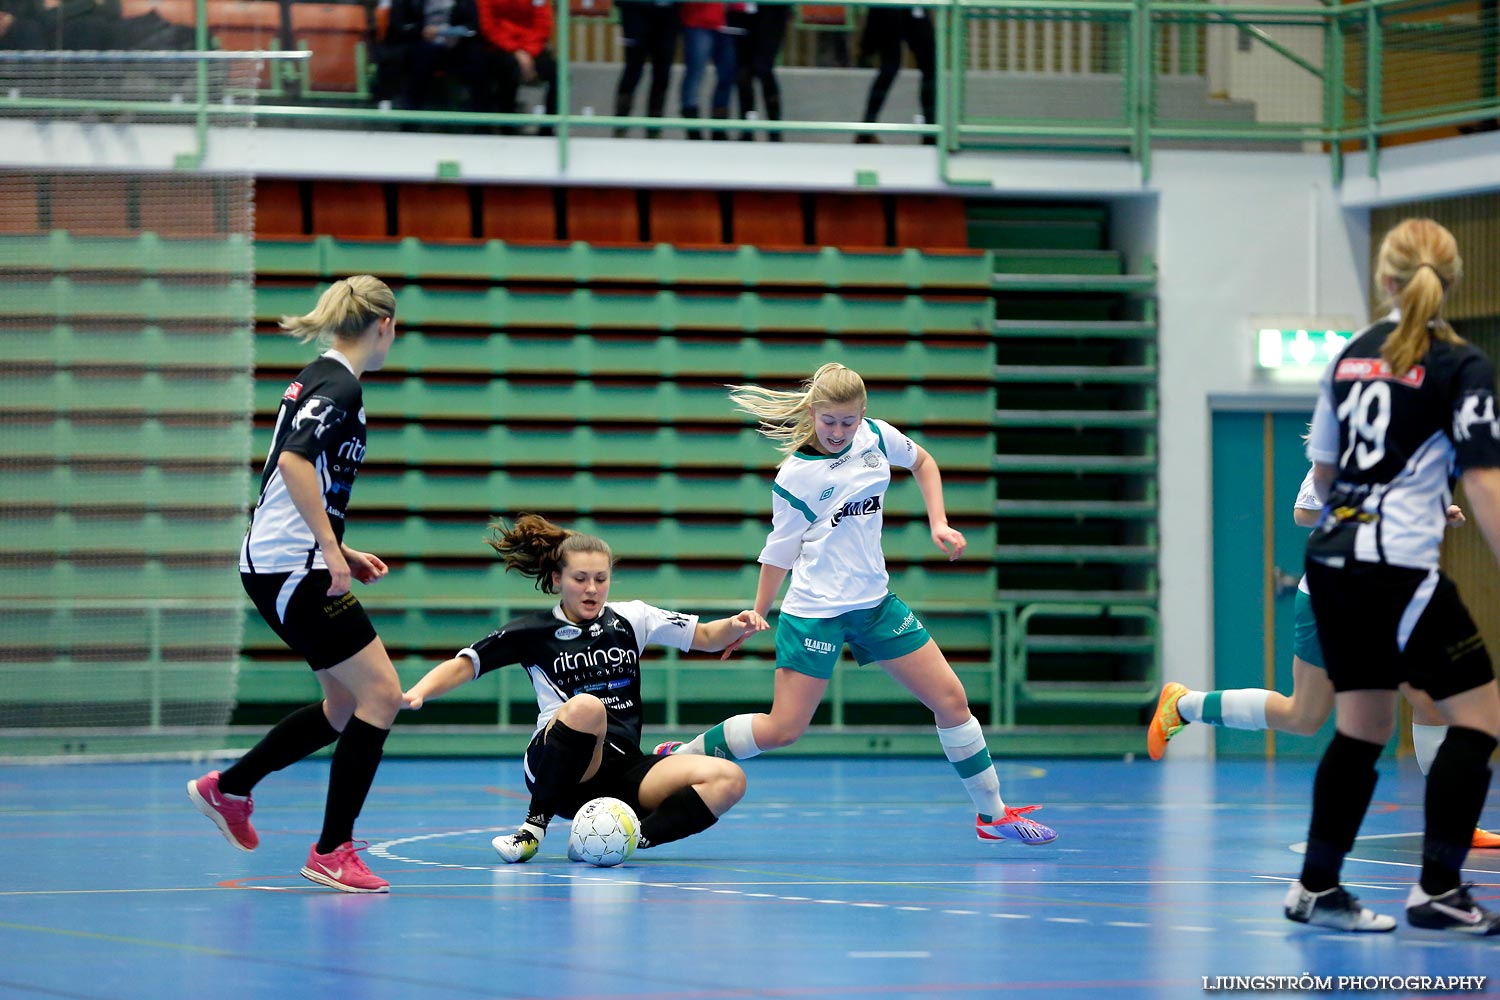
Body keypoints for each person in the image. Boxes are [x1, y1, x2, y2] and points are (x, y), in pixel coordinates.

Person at [655, 363, 1057, 845]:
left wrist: (939, 523)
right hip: (814, 614)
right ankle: (685, 755)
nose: (839, 432)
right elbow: (780, 551)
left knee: (952, 701)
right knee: (784, 729)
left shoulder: (876, 438)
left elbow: (924, 462)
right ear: (813, 412)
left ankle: (992, 815)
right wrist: (756, 612)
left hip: (875, 605)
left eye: (848, 421)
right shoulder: (795, 476)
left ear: (862, 414)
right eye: (829, 421)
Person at [1284, 218, 1500, 934]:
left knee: (1365, 725)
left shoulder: (1348, 356)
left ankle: (1317, 886)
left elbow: (1323, 474)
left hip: (1333, 557)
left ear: (1384, 279)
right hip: (1395, 564)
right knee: (1480, 716)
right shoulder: (1459, 364)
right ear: (1453, 281)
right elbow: (1485, 484)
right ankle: (1438, 889)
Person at [1148, 467, 1500, 849]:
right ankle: (1184, 705)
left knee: (1428, 700)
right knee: (1304, 716)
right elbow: (1304, 512)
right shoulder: (1346, 446)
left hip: (1386, 594)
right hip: (1331, 595)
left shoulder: (1412, 452)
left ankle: (1456, 822)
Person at [187, 276, 403, 893]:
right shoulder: (341, 384)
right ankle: (333, 850)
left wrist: (341, 547)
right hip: (294, 567)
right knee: (381, 696)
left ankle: (228, 788)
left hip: (281, 559)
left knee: (343, 706)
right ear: (385, 326)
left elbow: (291, 475)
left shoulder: (316, 374)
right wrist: (329, 551)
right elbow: (293, 462)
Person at [401, 514, 768, 861]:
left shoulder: (631, 617)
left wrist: (737, 625)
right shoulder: (533, 631)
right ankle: (532, 829)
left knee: (728, 779)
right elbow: (466, 665)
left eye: (600, 578)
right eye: (580, 579)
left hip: (623, 769)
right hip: (560, 768)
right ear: (558, 579)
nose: (592, 589)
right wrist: (419, 692)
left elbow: (703, 635)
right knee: (588, 707)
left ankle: (628, 838)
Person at [381, 0, 488, 113]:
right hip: (420, 42)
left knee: (479, 60)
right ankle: (410, 121)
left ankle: (483, 122)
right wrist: (421, 32)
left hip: (458, 45)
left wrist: (444, 32)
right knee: (417, 59)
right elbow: (399, 24)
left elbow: (472, 26)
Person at [855, 6, 935, 145]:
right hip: (890, 8)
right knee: (890, 68)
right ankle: (866, 130)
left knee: (930, 68)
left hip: (914, 8)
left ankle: (932, 133)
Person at [476, 0, 557, 132]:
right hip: (499, 48)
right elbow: (488, 27)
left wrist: (527, 52)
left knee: (556, 73)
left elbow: (543, 25)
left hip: (531, 48)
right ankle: (507, 127)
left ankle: (547, 129)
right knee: (507, 68)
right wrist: (515, 50)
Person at [610, 0, 680, 139]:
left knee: (662, 72)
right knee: (633, 69)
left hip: (668, 13)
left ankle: (654, 129)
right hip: (636, 11)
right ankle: (620, 125)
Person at [728, 1, 789, 141]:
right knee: (744, 71)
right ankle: (748, 127)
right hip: (740, 13)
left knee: (764, 68)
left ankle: (774, 131)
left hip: (771, 13)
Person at [678, 1, 738, 140]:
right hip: (697, 22)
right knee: (695, 74)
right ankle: (692, 128)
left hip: (724, 23)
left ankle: (719, 127)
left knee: (727, 74)